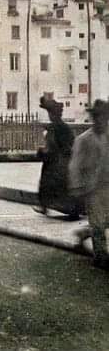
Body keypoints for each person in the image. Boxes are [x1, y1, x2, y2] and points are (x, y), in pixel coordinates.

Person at [69, 99, 109, 270]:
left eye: (105, 117)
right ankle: (101, 257)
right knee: (98, 223)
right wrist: (76, 186)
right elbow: (75, 165)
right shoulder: (83, 139)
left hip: (108, 184)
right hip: (92, 188)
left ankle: (83, 233)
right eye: (99, 117)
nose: (102, 120)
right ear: (94, 118)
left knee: (103, 221)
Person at [33, 96, 82, 219]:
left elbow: (53, 146)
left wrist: (42, 152)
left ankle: (46, 205)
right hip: (62, 160)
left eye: (50, 113)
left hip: (56, 162)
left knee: (48, 183)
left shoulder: (54, 128)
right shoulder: (63, 127)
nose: (50, 115)